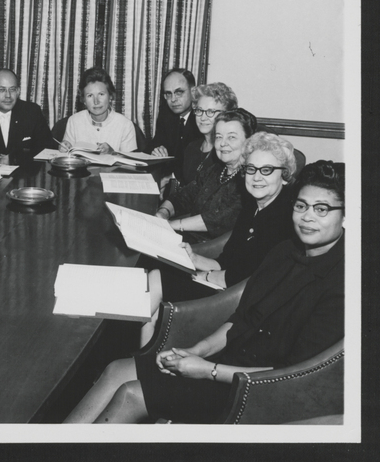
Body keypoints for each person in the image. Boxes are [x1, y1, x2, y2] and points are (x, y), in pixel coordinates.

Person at [65, 160, 345, 424]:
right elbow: (240, 319)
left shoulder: (343, 284)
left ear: (347, 215)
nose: (307, 218)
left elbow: (297, 373)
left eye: (321, 209)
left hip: (259, 391)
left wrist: (207, 370)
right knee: (116, 370)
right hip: (228, 362)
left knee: (131, 393)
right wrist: (195, 350)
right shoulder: (283, 252)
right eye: (301, 206)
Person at [140, 132, 296, 345]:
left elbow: (253, 281)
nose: (257, 177)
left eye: (267, 170)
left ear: (284, 176)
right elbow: (225, 260)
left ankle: (136, 357)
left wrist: (206, 276)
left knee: (155, 281)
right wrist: (193, 259)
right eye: (251, 169)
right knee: (152, 274)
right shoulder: (253, 206)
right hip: (224, 283)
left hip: (237, 302)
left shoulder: (285, 219)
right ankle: (142, 354)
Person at [155, 108, 257, 239]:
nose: (223, 143)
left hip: (208, 250)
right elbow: (184, 196)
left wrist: (168, 225)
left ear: (249, 142)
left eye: (231, 137)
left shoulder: (250, 179)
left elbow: (217, 219)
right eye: (219, 137)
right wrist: (163, 213)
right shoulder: (216, 170)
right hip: (188, 237)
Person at [171, 82, 239, 188]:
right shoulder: (191, 148)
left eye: (211, 111)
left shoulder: (227, 152)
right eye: (199, 110)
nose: (202, 118)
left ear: (227, 115)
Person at [59, 67, 138, 154]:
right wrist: (64, 148)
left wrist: (112, 153)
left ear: (110, 96)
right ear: (84, 100)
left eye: (101, 94)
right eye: (90, 96)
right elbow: (67, 156)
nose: (96, 101)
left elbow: (130, 164)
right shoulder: (74, 121)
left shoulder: (125, 125)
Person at [149, 68, 202, 177]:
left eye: (179, 92)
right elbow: (154, 144)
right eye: (168, 94)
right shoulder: (166, 115)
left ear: (193, 92)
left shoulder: (202, 118)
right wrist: (156, 150)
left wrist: (170, 177)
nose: (173, 99)